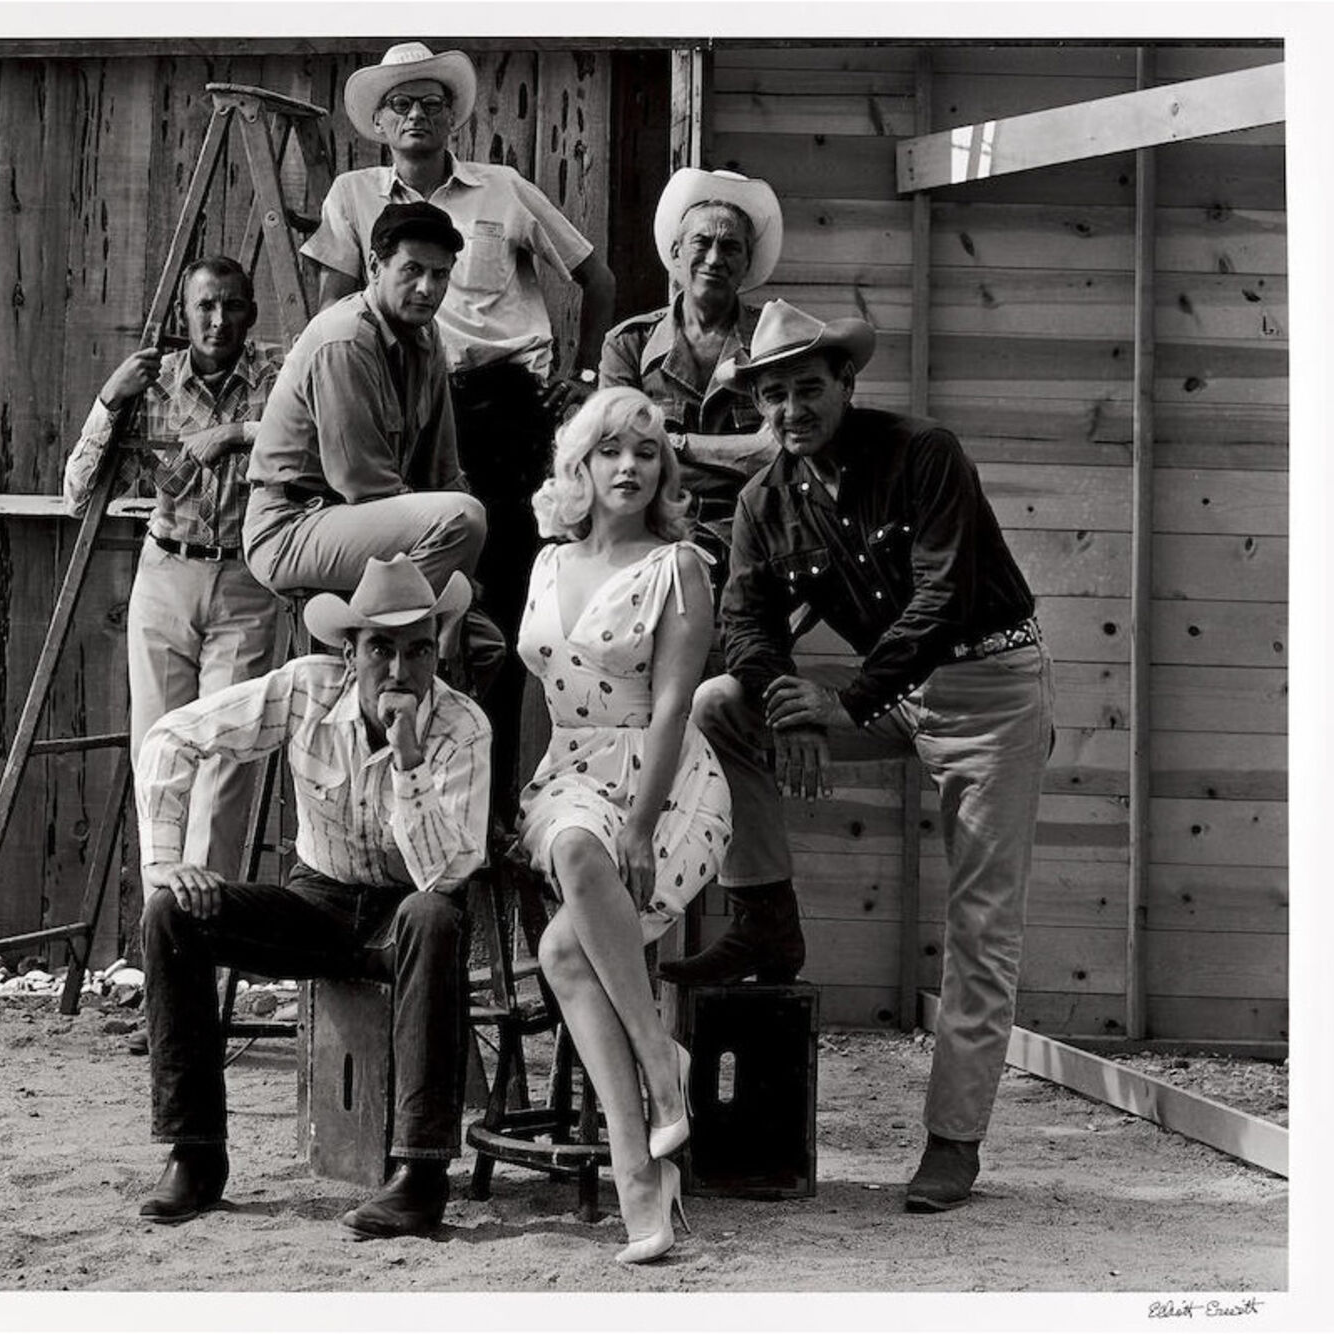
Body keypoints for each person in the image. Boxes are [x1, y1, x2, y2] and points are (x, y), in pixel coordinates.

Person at [680, 299, 1056, 1213]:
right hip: (887, 698)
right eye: (773, 396)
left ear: (847, 383)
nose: (792, 410)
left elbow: (942, 596)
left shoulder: (924, 453)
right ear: (756, 405)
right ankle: (766, 916)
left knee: (980, 925)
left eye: (808, 389)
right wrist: (792, 711)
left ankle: (953, 1143)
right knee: (720, 704)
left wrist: (842, 700)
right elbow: (746, 623)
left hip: (989, 690)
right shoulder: (765, 501)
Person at [302, 41, 617, 820]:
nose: (417, 115)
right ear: (380, 121)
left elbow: (596, 277)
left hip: (501, 416)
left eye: (432, 103)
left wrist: (583, 378)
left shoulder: (502, 189)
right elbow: (330, 316)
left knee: (497, 615)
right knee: (395, 607)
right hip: (399, 414)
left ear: (454, 117)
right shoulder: (352, 197)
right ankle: (385, 808)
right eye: (401, 103)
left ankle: (492, 811)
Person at [133, 554, 492, 1237]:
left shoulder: (463, 726)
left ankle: (420, 1177)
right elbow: (171, 738)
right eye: (380, 648)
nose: (400, 669)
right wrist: (167, 863)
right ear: (348, 653)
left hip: (406, 915)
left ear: (436, 650)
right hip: (318, 902)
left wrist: (408, 760)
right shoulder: (305, 689)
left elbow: (444, 874)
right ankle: (195, 1154)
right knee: (171, 914)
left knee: (432, 915)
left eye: (418, 649)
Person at [517, 387, 732, 1264]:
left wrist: (640, 827)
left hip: (665, 784)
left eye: (647, 453)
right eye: (610, 450)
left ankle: (638, 1174)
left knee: (565, 956)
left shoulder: (679, 566)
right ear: (580, 464)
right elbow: (538, 692)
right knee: (572, 844)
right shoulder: (546, 564)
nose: (629, 466)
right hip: (568, 777)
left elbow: (676, 703)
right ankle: (659, 1064)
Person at [64, 255, 280, 898]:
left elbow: (317, 434)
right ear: (183, 315)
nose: (219, 320)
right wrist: (110, 398)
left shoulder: (277, 375)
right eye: (204, 306)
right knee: (158, 747)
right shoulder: (152, 384)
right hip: (166, 570)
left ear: (251, 312)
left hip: (244, 576)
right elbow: (77, 493)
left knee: (227, 750)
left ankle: (209, 919)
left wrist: (237, 432)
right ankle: (163, 909)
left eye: (232, 305)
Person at [244, 199, 501, 681]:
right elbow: (364, 485)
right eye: (413, 270)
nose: (427, 288)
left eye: (440, 275)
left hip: (362, 524)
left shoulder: (426, 337)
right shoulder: (344, 338)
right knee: (462, 519)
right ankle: (380, 646)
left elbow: (443, 471)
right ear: (374, 266)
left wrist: (467, 574)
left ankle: (416, 646)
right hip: (292, 526)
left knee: (486, 643)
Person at [599, 167, 784, 551]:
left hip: (752, 533)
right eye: (702, 242)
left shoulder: (773, 339)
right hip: (652, 531)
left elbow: (776, 454)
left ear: (747, 262)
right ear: (676, 252)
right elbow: (618, 455)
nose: (714, 259)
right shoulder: (628, 345)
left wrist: (673, 445)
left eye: (730, 247)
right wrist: (738, 454)